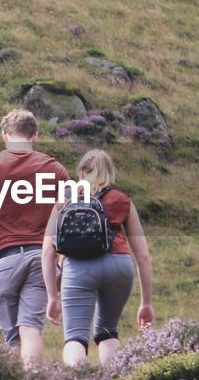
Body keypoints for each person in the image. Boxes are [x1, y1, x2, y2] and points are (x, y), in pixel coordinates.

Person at [0, 109, 69, 369]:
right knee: (30, 328)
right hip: (40, 259)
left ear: (5, 135)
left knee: (12, 339)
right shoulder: (55, 169)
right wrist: (64, 264)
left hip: (5, 260)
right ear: (35, 136)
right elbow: (69, 221)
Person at [42, 148, 154, 368]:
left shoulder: (66, 198)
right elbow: (143, 255)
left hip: (78, 268)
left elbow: (47, 250)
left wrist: (52, 296)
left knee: (75, 337)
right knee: (107, 331)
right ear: (110, 172)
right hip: (119, 266)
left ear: (82, 171)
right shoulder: (122, 199)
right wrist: (146, 302)